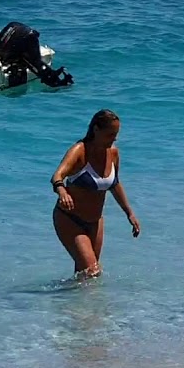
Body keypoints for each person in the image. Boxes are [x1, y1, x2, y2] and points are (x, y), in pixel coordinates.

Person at [49, 109, 140, 279]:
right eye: (110, 134)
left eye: (116, 134)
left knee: (85, 276)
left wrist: (129, 213)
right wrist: (61, 190)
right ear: (96, 129)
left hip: (96, 222)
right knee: (92, 271)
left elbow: (115, 184)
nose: (114, 139)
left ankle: (72, 304)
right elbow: (57, 176)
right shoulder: (79, 151)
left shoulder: (113, 153)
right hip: (70, 220)